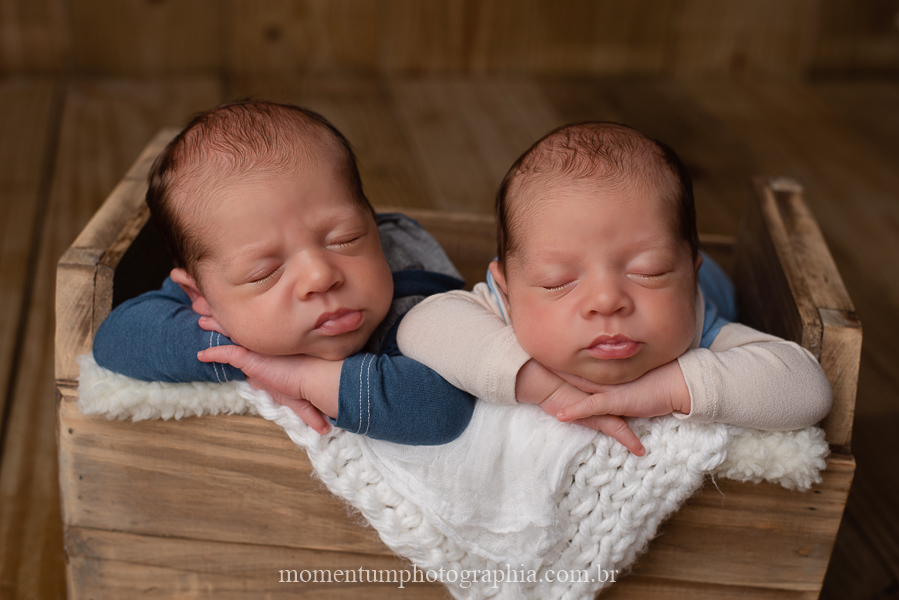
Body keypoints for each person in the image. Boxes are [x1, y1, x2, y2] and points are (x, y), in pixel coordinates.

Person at [388, 121, 833, 451]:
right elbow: (421, 324)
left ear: (689, 275)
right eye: (557, 282)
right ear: (505, 288)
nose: (607, 300)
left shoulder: (699, 325)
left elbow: (808, 389)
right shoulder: (503, 307)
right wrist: (535, 382)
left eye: (651, 271)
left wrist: (670, 388)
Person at [92, 99, 479, 445]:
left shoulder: (412, 298)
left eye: (345, 239)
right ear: (201, 297)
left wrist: (300, 376)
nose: (320, 277)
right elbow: (116, 338)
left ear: (373, 226)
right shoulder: (220, 291)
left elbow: (441, 409)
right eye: (265, 273)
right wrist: (242, 357)